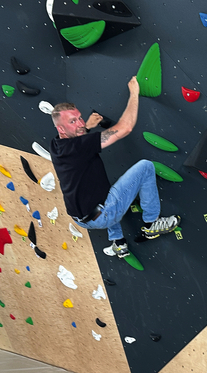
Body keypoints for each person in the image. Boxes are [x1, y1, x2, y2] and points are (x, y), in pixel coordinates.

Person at [48, 75, 180, 260]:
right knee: (145, 167)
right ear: (61, 129)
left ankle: (118, 242)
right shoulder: (78, 146)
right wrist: (134, 93)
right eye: (73, 122)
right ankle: (152, 223)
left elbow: (77, 142)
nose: (79, 123)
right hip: (103, 215)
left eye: (79, 118)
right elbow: (125, 128)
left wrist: (86, 127)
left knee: (100, 189)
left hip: (81, 220)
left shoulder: (56, 145)